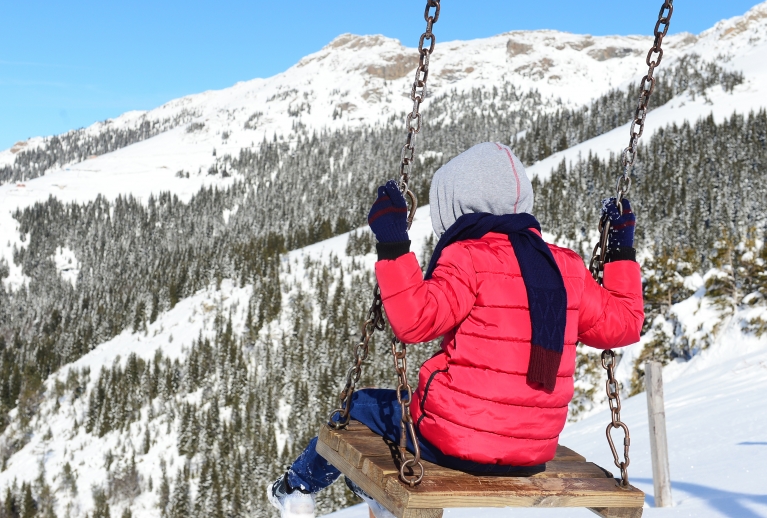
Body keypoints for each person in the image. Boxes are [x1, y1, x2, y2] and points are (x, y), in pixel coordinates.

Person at [267, 142, 644, 518]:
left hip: (451, 441)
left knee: (356, 408)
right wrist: (621, 252)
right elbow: (624, 325)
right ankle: (350, 498)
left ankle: (296, 489)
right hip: (535, 451)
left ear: (458, 208)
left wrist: (393, 245)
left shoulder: (469, 258)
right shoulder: (567, 267)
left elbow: (415, 321)